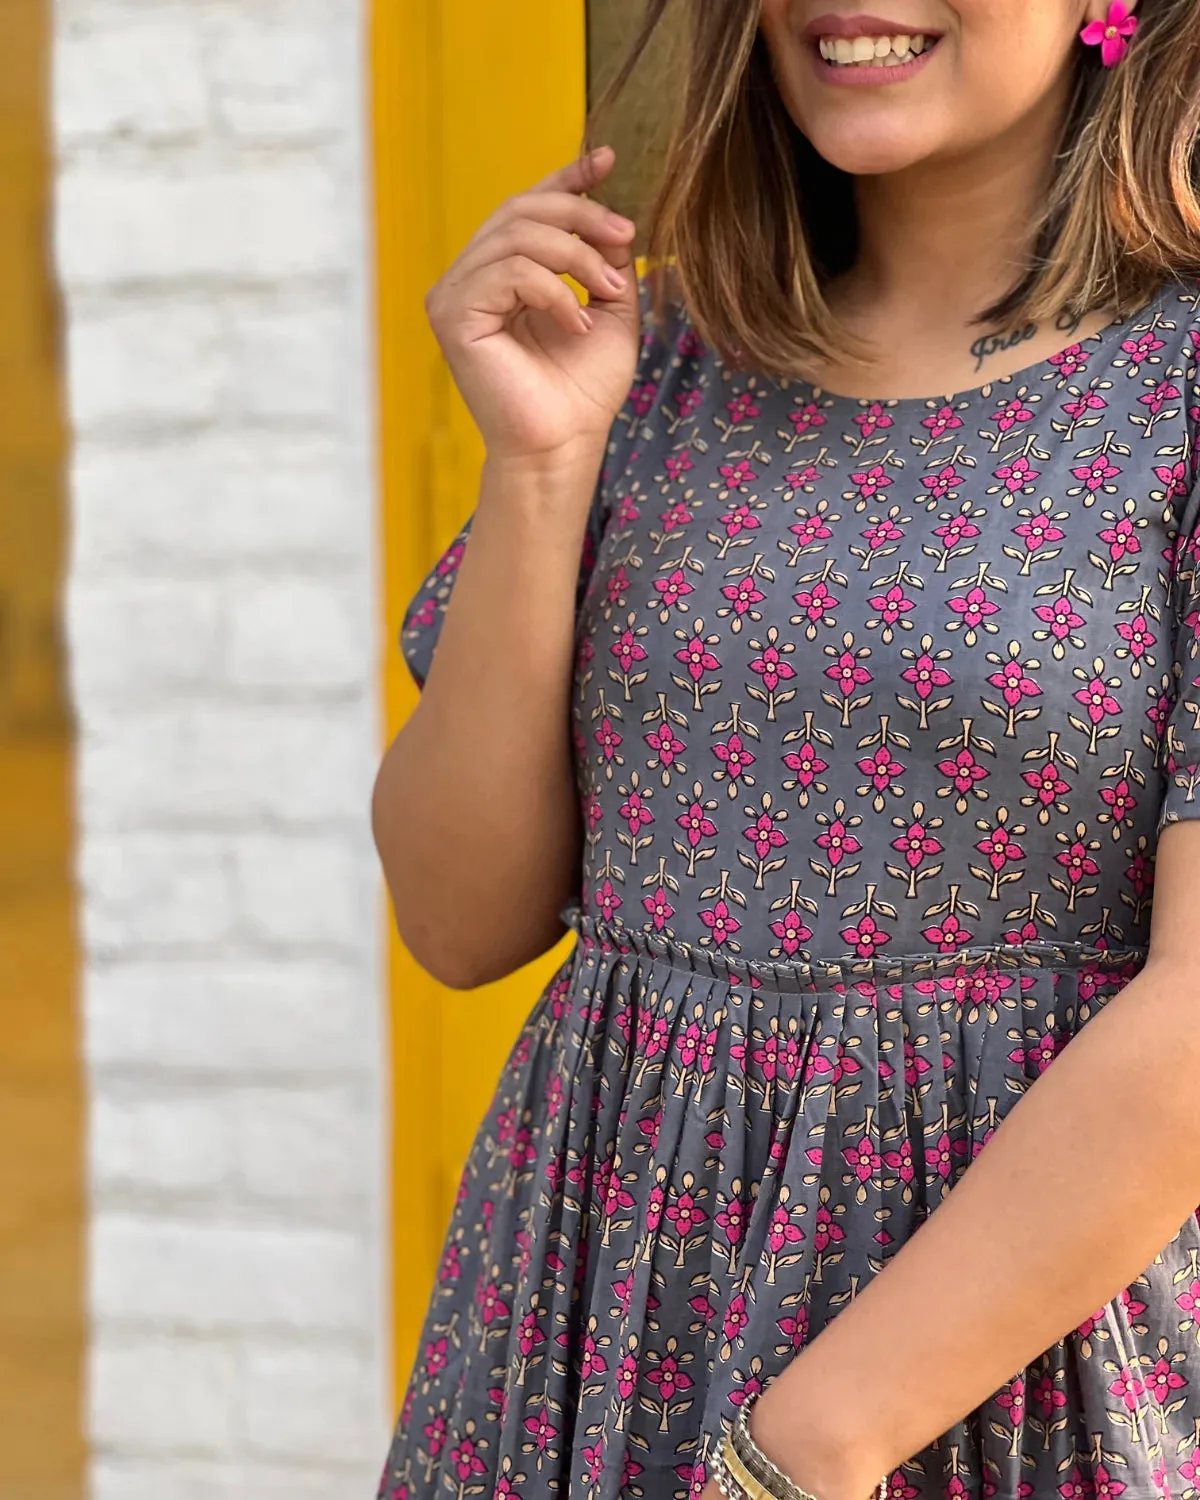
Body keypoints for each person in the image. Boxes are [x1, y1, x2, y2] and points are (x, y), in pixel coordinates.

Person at [372, 2, 1200, 1497]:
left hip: (996, 1381)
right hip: (586, 1329)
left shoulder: (1180, 389)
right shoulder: (660, 360)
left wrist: (809, 1449)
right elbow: (456, 919)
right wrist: (543, 464)